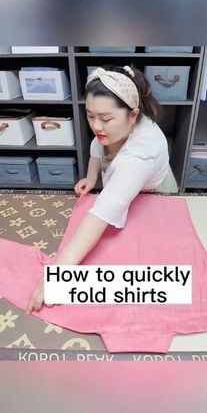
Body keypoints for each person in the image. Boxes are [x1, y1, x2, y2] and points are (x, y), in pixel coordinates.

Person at [26, 64, 178, 313]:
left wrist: (57, 275)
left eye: (105, 118)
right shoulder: (113, 127)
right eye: (90, 115)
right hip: (121, 182)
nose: (96, 126)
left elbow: (101, 213)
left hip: (154, 195)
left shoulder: (140, 155)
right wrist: (91, 176)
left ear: (133, 115)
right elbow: (98, 145)